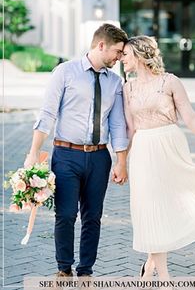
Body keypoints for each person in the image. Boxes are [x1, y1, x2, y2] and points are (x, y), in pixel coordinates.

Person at [120, 35, 195, 280]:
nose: (122, 59)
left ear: (140, 56)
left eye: (126, 55)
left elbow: (190, 117)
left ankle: (150, 267)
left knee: (166, 209)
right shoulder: (126, 88)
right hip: (143, 152)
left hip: (169, 148)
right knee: (149, 209)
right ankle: (164, 278)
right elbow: (129, 129)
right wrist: (121, 162)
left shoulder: (170, 81)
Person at [24, 23, 129, 277]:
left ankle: (86, 270)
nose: (119, 58)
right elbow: (47, 114)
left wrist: (121, 161)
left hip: (99, 157)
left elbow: (117, 124)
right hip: (66, 155)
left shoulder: (115, 82)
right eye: (117, 52)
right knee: (66, 214)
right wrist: (32, 154)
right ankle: (64, 268)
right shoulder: (64, 72)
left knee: (93, 217)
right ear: (101, 45)